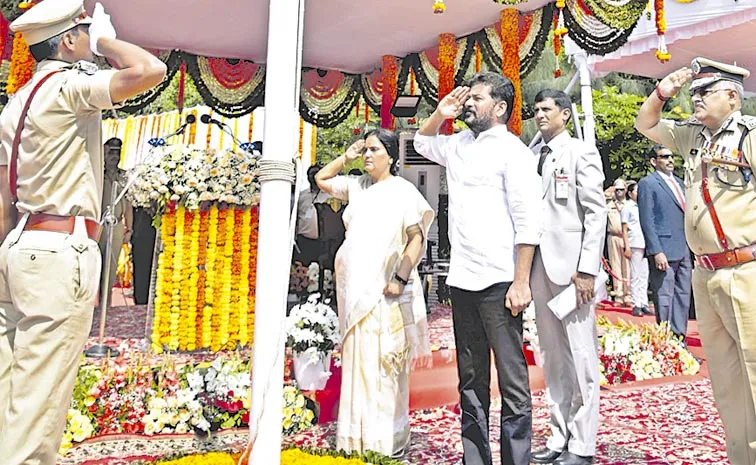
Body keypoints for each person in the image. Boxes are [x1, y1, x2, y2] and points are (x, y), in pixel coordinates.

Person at [0, 1, 167, 463]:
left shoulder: (16, 102)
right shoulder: (68, 87)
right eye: (84, 32)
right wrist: (104, 42)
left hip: (18, 245)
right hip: (57, 251)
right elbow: (150, 69)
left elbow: (2, 199)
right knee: (39, 404)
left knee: (9, 391)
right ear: (69, 39)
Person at [414, 72, 542, 465]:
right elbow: (420, 141)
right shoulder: (458, 144)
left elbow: (528, 222)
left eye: (478, 98)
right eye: (467, 98)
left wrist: (521, 281)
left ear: (500, 108)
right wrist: (441, 112)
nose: (469, 103)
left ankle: (516, 460)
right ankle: (476, 459)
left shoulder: (514, 151)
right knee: (470, 381)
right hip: (463, 279)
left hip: (501, 281)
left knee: (513, 381)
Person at [635, 57, 756, 465]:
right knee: (725, 381)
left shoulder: (750, 136)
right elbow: (646, 125)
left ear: (733, 97)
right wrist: (662, 91)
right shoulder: (694, 138)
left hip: (746, 269)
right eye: (693, 92)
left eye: (705, 92)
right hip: (706, 274)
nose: (695, 98)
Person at [315, 129, 434, 457]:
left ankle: (384, 443)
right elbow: (323, 179)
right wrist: (347, 155)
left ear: (392, 156)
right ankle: (355, 440)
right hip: (353, 292)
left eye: (374, 150)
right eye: (365, 150)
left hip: (384, 293)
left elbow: (416, 238)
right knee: (357, 362)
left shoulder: (403, 191)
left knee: (383, 364)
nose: (368, 155)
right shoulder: (357, 186)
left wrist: (399, 278)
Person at [530, 89, 605, 465]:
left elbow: (595, 212)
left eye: (547, 109)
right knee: (553, 356)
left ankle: (583, 443)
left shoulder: (580, 151)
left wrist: (588, 268)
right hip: (539, 267)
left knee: (581, 355)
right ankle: (559, 434)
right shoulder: (532, 155)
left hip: (573, 268)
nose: (540, 115)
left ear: (563, 113)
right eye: (536, 110)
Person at [636, 144, 691, 338]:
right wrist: (656, 250)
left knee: (683, 296)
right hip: (664, 249)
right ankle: (666, 343)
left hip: (684, 246)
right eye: (664, 156)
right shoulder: (648, 183)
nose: (670, 160)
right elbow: (647, 219)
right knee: (664, 297)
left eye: (671, 156)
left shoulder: (680, 182)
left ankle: (679, 341)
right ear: (653, 161)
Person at [98, 137, 132, 306]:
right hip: (98, 226)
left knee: (111, 269)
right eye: (110, 152)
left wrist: (129, 228)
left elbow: (129, 204)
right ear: (103, 153)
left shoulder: (124, 176)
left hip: (117, 226)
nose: (114, 156)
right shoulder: (97, 174)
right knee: (95, 267)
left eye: (117, 152)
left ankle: (107, 306)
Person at [621, 181, 651, 317]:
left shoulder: (643, 206)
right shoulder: (627, 207)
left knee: (644, 274)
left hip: (646, 242)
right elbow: (625, 228)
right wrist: (626, 246)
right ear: (630, 193)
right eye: (636, 191)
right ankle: (636, 304)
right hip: (634, 242)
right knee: (635, 274)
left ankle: (644, 302)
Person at [295, 165, 331, 265]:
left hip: (324, 243)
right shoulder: (301, 196)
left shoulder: (329, 195)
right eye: (312, 174)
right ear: (308, 177)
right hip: (304, 242)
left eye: (317, 174)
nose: (314, 177)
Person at [606, 178, 630, 305]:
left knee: (628, 267)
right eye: (617, 190)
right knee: (615, 266)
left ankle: (628, 295)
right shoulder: (609, 204)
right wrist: (607, 193)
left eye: (621, 190)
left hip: (626, 237)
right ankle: (619, 295)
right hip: (613, 236)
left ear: (626, 190)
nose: (619, 192)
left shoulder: (630, 205)